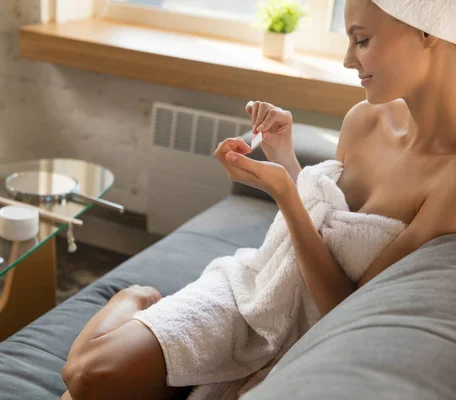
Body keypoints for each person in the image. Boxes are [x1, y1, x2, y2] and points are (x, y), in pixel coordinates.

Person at [62, 0, 456, 398]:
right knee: (86, 377)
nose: (347, 60)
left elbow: (346, 309)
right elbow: (329, 215)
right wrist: (284, 156)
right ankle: (137, 297)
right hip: (257, 289)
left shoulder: (449, 183)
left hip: (304, 334)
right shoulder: (366, 119)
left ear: (427, 32)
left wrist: (284, 190)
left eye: (362, 40)